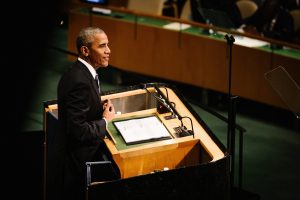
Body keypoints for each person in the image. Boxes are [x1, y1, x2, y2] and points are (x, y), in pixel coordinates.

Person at [56, 26, 120, 200]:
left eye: (108, 45)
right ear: (85, 50)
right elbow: (78, 131)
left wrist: (96, 106)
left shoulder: (83, 73)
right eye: (102, 46)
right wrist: (105, 120)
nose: (108, 51)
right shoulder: (79, 81)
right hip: (79, 165)